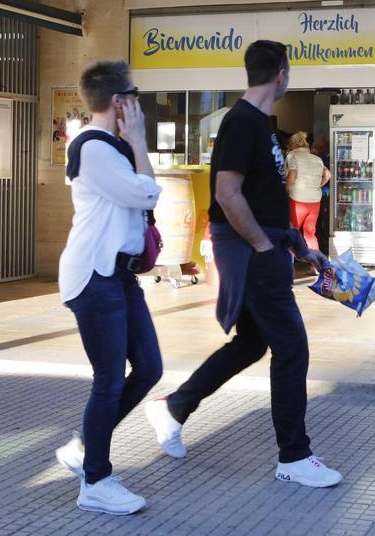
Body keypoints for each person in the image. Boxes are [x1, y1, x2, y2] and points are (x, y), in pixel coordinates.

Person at [144, 40, 343, 489]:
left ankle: (174, 407)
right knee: (292, 347)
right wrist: (265, 248)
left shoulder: (259, 127)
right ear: (281, 74)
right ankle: (294, 456)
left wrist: (297, 244)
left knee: (254, 344)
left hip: (268, 250)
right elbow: (227, 195)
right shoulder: (241, 124)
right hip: (255, 257)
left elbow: (264, 201)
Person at [54, 60, 164, 516]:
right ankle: (95, 481)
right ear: (119, 102)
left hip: (117, 275)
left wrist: (134, 144)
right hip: (95, 277)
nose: (139, 105)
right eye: (134, 96)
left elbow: (144, 192)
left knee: (150, 368)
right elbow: (149, 194)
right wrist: (139, 140)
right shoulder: (94, 148)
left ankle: (85, 447)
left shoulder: (108, 147)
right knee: (108, 379)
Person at [285, 131, 330, 252]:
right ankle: (315, 266)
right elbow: (328, 175)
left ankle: (288, 267)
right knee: (310, 234)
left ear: (293, 144)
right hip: (315, 201)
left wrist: (284, 190)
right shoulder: (317, 159)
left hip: (298, 200)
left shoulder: (292, 156)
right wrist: (317, 185)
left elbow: (292, 174)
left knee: (292, 232)